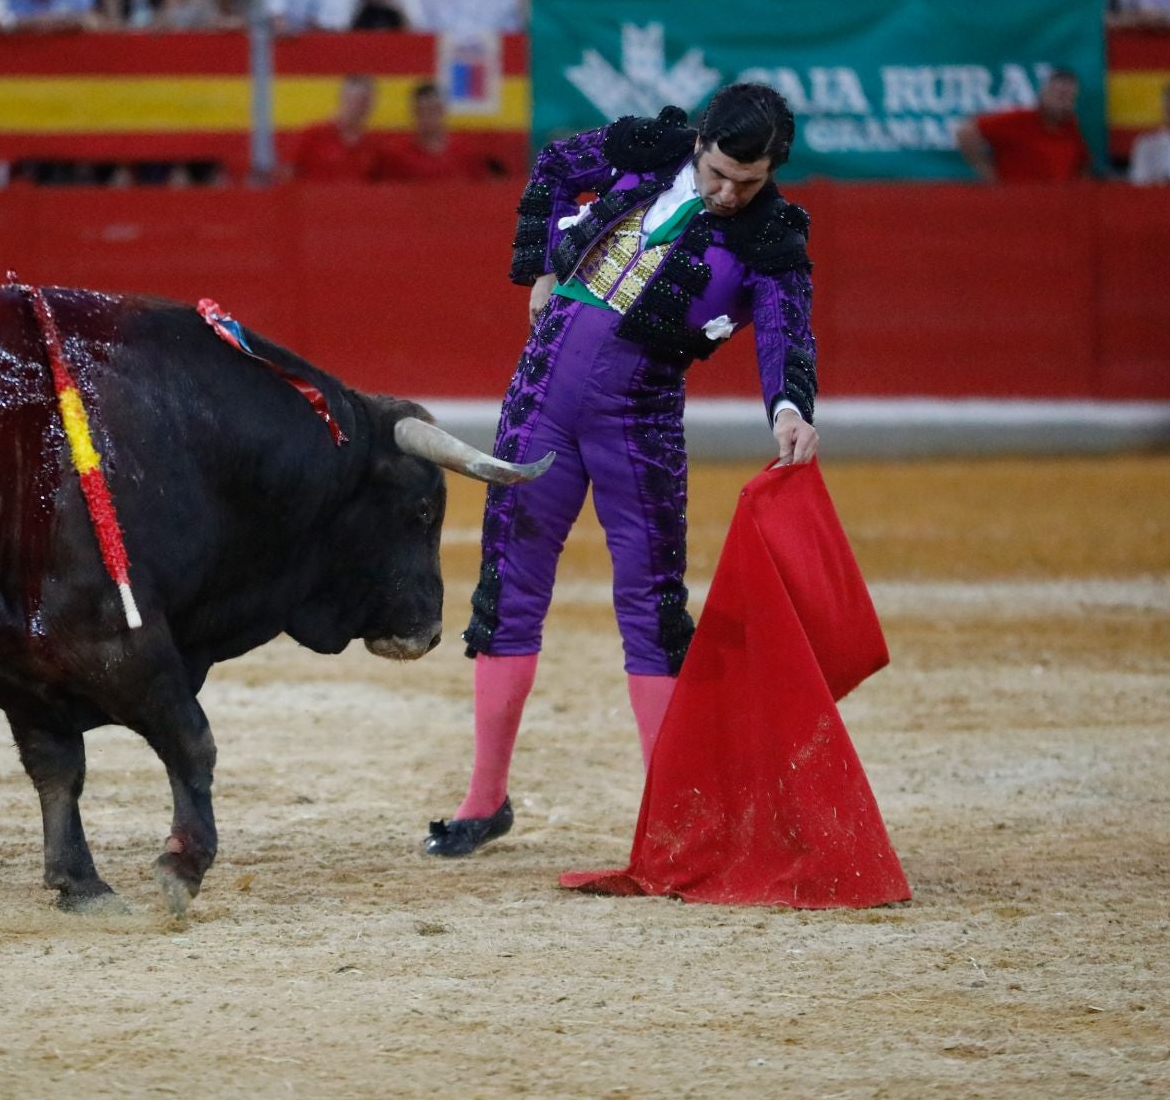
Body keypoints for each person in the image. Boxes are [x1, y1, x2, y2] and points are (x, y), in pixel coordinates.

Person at [424, 84, 821, 858]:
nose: (727, 194)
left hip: (636, 423)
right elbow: (553, 167)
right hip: (540, 397)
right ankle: (484, 800)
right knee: (508, 590)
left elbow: (785, 328)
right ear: (700, 142)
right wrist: (541, 267)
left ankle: (671, 816)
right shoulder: (649, 146)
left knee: (652, 608)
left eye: (748, 182)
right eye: (716, 173)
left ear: (773, 171)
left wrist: (788, 408)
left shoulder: (773, 235)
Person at [956, 69, 1090, 181]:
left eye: (1068, 97)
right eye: (1058, 95)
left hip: (1057, 204)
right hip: (1016, 202)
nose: (1062, 102)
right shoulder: (1020, 120)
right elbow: (966, 131)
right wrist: (988, 174)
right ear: (1043, 93)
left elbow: (1082, 166)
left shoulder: (1072, 130)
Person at [377, 82, 493, 180]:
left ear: (443, 111)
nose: (428, 117)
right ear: (414, 113)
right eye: (422, 110)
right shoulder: (395, 155)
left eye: (434, 109)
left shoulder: (467, 153)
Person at [286, 74, 382, 180]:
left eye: (365, 101)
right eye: (354, 100)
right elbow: (289, 174)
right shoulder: (313, 135)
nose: (359, 107)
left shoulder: (372, 144)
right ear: (341, 99)